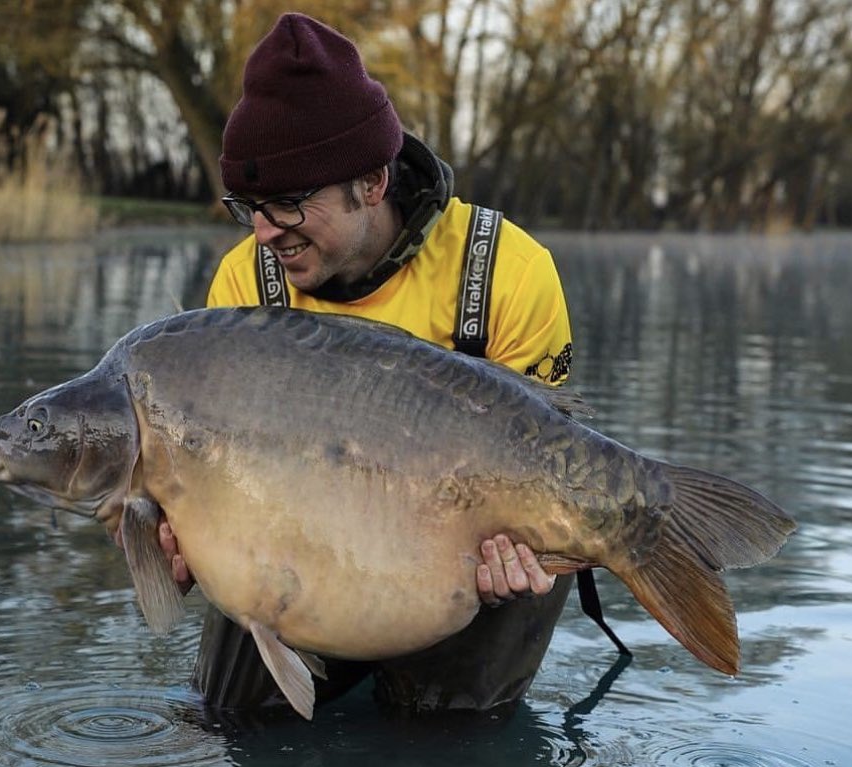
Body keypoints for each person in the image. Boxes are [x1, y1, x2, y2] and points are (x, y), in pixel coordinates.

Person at [159, 12, 576, 717]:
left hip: (462, 560)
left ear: (374, 182)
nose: (264, 232)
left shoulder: (507, 273)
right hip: (299, 552)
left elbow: (549, 469)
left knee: (448, 739)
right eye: (249, 206)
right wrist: (188, 530)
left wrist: (530, 550)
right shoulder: (244, 284)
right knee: (233, 723)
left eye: (289, 202)